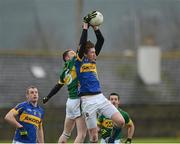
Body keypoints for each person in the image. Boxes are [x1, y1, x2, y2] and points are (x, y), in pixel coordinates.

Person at [41, 13, 99, 142]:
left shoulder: (64, 71)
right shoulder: (74, 62)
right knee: (82, 135)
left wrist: (47, 97)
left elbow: (57, 86)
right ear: (67, 57)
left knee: (66, 134)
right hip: (78, 100)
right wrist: (85, 27)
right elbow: (82, 44)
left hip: (70, 102)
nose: (75, 52)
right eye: (72, 52)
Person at [74, 12, 125, 143]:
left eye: (95, 52)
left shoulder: (92, 60)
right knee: (94, 137)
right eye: (92, 52)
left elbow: (101, 40)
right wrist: (85, 27)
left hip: (100, 97)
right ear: (85, 53)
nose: (95, 54)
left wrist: (95, 26)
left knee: (120, 121)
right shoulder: (79, 61)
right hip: (87, 101)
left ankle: (111, 140)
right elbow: (82, 43)